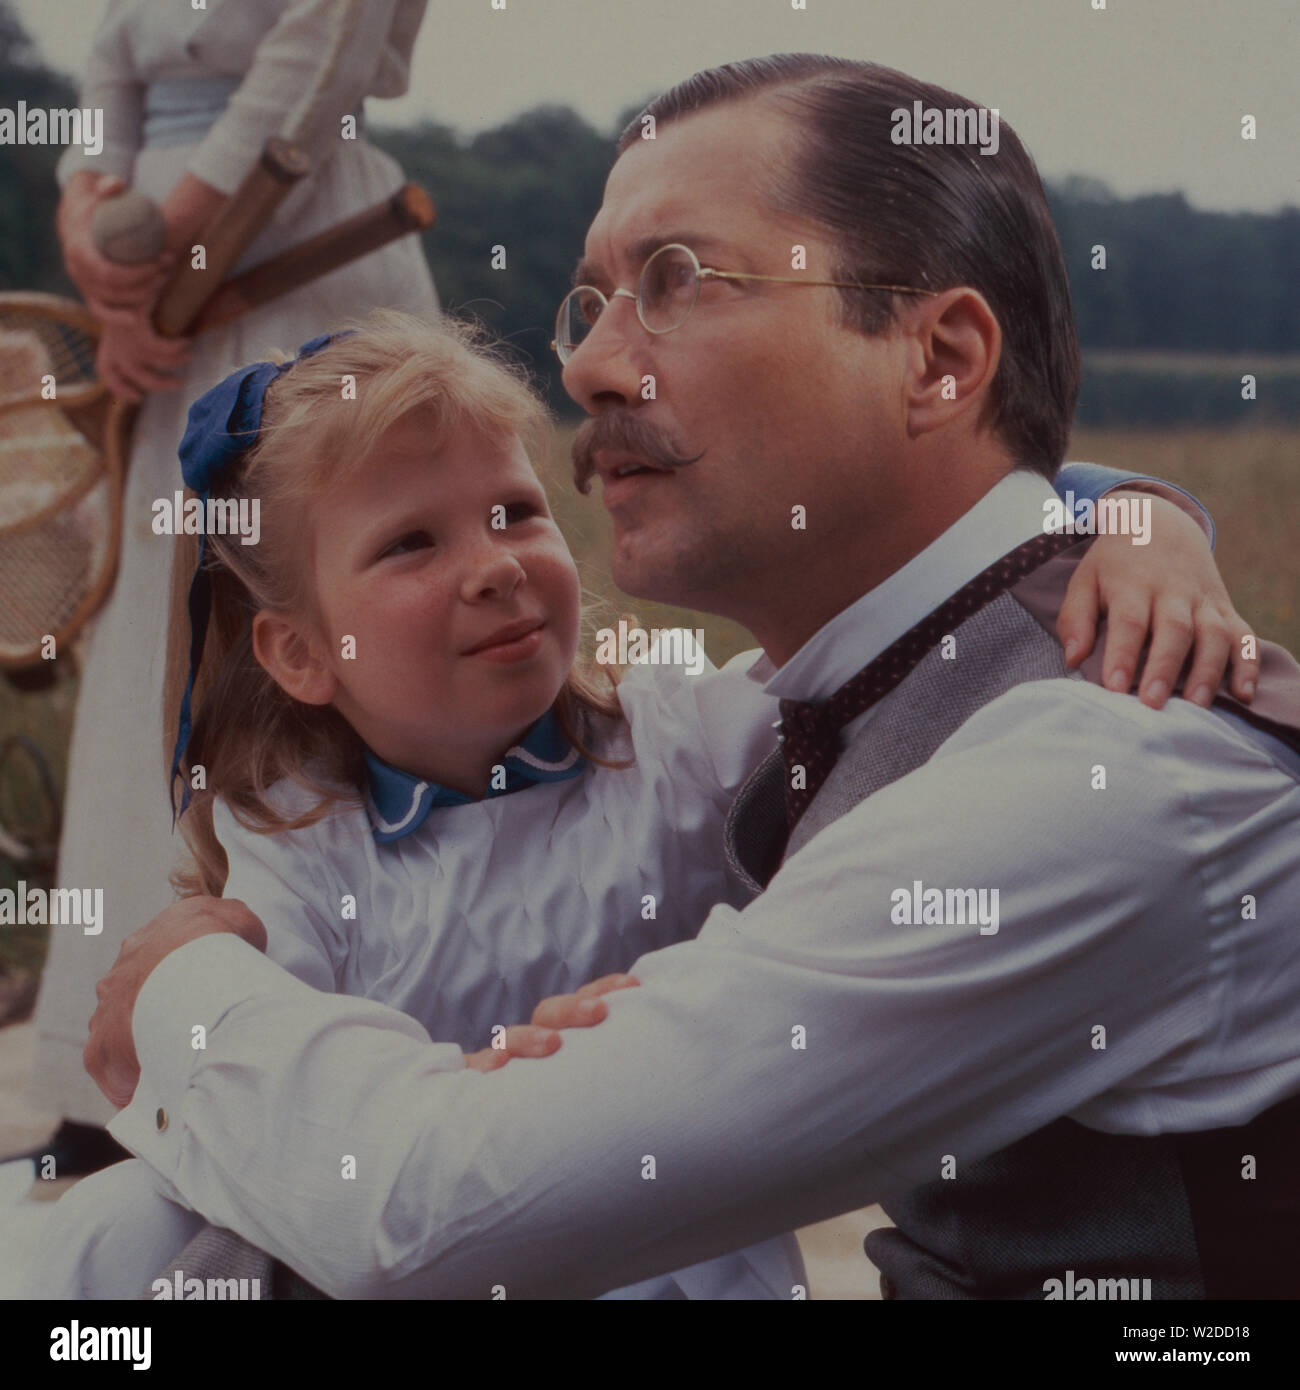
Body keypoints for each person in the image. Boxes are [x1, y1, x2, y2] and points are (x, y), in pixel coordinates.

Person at [84, 56, 1300, 1301]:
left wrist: (180, 980)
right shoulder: (865, 694)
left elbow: (435, 1215)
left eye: (675, 281)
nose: (588, 369)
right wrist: (1142, 509)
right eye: (592, 303)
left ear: (938, 360)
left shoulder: (1100, 766)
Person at [22, 0, 437, 1177]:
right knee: (158, 651)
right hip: (157, 303)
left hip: (292, 266)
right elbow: (111, 67)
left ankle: (293, 1057)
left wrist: (171, 252)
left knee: (304, 633)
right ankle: (113, 1075)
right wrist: (92, 216)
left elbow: (305, 78)